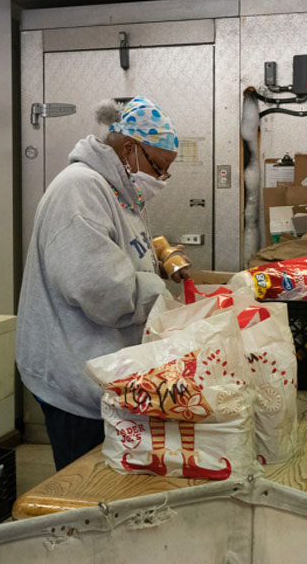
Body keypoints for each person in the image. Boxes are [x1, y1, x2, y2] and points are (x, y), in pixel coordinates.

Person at [16, 96, 189, 470]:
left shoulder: (120, 190)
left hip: (102, 367)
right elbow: (103, 291)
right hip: (74, 376)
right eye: (159, 168)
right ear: (130, 148)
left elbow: (121, 254)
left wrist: (159, 261)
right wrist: (164, 298)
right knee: (85, 489)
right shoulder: (79, 188)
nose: (160, 180)